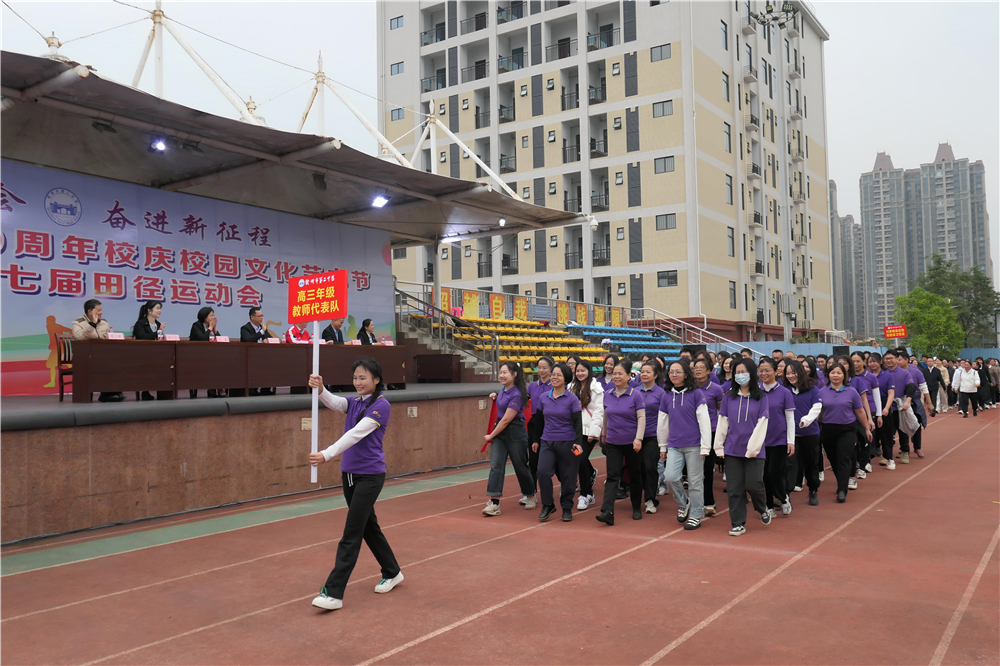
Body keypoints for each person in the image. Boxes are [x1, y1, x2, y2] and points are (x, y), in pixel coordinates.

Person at [307, 359, 403, 611]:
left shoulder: (381, 406)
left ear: (376, 380)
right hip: (348, 475)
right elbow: (334, 401)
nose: (358, 382)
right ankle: (392, 571)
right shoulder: (354, 402)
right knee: (368, 527)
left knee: (352, 532)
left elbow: (356, 433)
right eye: (355, 378)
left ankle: (333, 592)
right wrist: (320, 389)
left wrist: (326, 454)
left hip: (370, 477)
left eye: (363, 378)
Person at [713, 359, 770, 536]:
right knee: (734, 488)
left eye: (743, 371)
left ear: (752, 373)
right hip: (732, 450)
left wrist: (752, 449)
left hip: (755, 451)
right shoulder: (729, 397)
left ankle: (762, 508)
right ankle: (738, 523)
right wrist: (719, 447)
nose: (740, 375)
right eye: (737, 372)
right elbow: (723, 422)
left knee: (754, 485)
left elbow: (763, 423)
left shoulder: (761, 397)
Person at [658, 360, 711, 530]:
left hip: (694, 445)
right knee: (670, 477)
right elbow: (662, 423)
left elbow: (704, 420)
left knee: (695, 482)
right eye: (671, 372)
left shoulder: (696, 394)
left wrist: (705, 446)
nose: (674, 375)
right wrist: (662, 446)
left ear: (686, 374)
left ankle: (696, 514)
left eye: (678, 372)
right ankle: (683, 502)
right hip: (674, 444)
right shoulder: (666, 396)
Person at [529, 362, 583, 522]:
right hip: (547, 441)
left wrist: (578, 443)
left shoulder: (572, 399)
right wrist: (536, 440)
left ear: (566, 378)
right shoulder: (543, 397)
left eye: (558, 375)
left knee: (568, 476)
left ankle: (567, 507)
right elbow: (539, 420)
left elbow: (578, 423)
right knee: (542, 472)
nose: (554, 377)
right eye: (553, 374)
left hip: (568, 442)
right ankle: (548, 504)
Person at [596, 360, 647, 525]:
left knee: (634, 476)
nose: (616, 376)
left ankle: (636, 507)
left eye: (620, 373)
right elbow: (605, 416)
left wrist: (638, 438)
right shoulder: (608, 394)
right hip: (613, 441)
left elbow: (641, 417)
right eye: (614, 374)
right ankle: (607, 511)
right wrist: (603, 434)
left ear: (628, 375)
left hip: (632, 443)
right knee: (612, 476)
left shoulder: (636, 395)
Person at [482, 362, 536, 516]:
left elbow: (506, 419)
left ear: (514, 374)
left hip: (515, 431)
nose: (502, 375)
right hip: (500, 431)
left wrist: (491, 435)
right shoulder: (503, 390)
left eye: (505, 372)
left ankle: (530, 494)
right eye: (501, 372)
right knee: (496, 465)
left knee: (520, 466)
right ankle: (494, 502)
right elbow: (501, 408)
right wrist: (495, 396)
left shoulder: (518, 394)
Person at [819, 363, 871, 503]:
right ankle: (841, 480)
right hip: (828, 429)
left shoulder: (851, 391)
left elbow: (860, 411)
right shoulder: (822, 391)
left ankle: (842, 489)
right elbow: (817, 411)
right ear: (828, 375)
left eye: (839, 373)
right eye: (832, 373)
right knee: (833, 458)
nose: (835, 375)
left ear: (845, 376)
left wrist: (866, 428)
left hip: (847, 429)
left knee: (844, 457)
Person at [757, 358, 796, 518]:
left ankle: (783, 497)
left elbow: (789, 417)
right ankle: (768, 505)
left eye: (767, 370)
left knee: (774, 472)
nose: (763, 373)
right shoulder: (755, 391)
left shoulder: (785, 392)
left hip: (779, 439)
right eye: (760, 370)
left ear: (775, 372)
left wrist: (791, 440)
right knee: (763, 475)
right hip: (760, 440)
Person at [783, 360, 822, 506]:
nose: (790, 376)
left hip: (810, 433)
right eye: (787, 373)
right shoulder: (784, 389)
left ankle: (813, 490)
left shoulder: (813, 388)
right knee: (789, 465)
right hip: (790, 436)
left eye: (793, 373)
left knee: (811, 463)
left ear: (800, 372)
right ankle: (786, 495)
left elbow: (817, 407)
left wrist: (806, 420)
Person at [71, 299, 124, 402]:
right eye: (98, 310)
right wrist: (92, 324)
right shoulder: (77, 323)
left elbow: (104, 339)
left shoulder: (104, 324)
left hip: (101, 356)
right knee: (106, 363)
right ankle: (107, 393)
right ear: (90, 311)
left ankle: (113, 392)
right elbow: (80, 337)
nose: (101, 312)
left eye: (101, 310)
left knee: (115, 362)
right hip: (83, 358)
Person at [569, 360, 604, 511]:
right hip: (574, 430)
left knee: (581, 458)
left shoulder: (596, 388)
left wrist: (594, 432)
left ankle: (586, 494)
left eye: (583, 370)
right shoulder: (571, 387)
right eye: (578, 371)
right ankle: (590, 473)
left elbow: (599, 411)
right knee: (577, 459)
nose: (580, 373)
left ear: (589, 371)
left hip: (588, 431)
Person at [693, 358, 724, 517]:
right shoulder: (689, 389)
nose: (697, 370)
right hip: (692, 433)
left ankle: (709, 501)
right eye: (695, 368)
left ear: (709, 371)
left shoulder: (716, 389)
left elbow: (722, 412)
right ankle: (695, 501)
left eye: (701, 367)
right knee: (694, 470)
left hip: (710, 432)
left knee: (707, 468)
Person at [522, 356, 555, 509]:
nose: (541, 371)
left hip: (552, 423)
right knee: (533, 460)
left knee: (556, 459)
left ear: (551, 369)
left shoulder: (555, 385)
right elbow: (521, 398)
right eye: (539, 367)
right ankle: (531, 493)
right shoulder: (532, 386)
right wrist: (497, 394)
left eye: (544, 368)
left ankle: (567, 486)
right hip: (535, 424)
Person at [635, 361, 666, 514]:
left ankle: (650, 499)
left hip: (654, 436)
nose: (644, 374)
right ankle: (649, 489)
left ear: (655, 375)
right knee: (639, 468)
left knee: (650, 466)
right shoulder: (634, 391)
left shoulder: (661, 393)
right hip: (636, 437)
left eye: (648, 372)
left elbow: (666, 416)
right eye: (642, 371)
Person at [189, 307, 225, 399]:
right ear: (204, 316)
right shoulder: (196, 325)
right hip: (197, 356)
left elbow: (220, 340)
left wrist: (215, 329)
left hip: (210, 355)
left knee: (220, 363)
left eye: (213, 315)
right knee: (213, 364)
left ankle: (216, 388)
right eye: (211, 316)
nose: (213, 318)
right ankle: (214, 389)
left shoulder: (212, 327)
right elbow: (202, 339)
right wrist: (210, 327)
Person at [132, 300, 164, 400]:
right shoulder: (140, 323)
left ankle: (163, 390)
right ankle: (145, 391)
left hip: (157, 354)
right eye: (157, 308)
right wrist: (158, 332)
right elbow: (142, 337)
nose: (160, 311)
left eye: (160, 309)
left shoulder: (158, 324)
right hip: (143, 355)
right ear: (149, 310)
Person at [241, 307, 275, 396]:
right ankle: (252, 389)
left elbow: (270, 338)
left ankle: (266, 388)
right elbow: (248, 340)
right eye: (259, 316)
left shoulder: (262, 328)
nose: (261, 318)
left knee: (271, 362)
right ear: (252, 317)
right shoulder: (245, 328)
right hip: (249, 356)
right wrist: (261, 332)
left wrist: (266, 340)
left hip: (262, 356)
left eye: (262, 316)